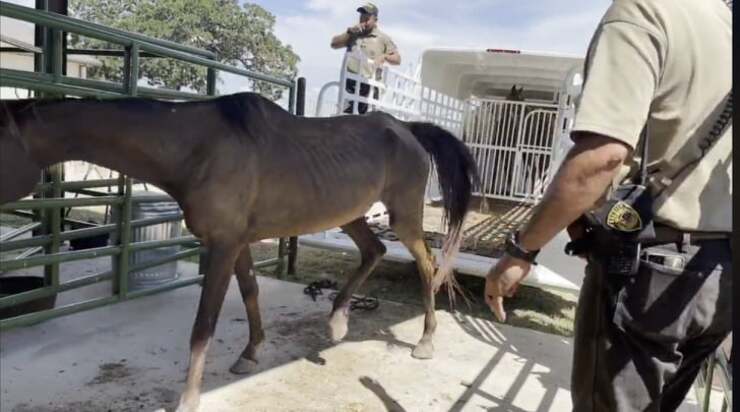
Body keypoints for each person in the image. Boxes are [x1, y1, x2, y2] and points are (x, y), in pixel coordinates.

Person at [484, 0, 732, 410]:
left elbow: (602, 159)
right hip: (719, 273)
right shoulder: (725, 22)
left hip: (651, 274)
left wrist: (520, 250)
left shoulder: (645, 11)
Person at [330, 2, 401, 114]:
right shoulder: (353, 34)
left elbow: (397, 59)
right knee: (345, 119)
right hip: (350, 85)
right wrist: (349, 32)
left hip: (370, 87)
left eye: (367, 18)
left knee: (366, 123)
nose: (363, 21)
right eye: (361, 18)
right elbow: (334, 44)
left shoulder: (383, 38)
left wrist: (385, 56)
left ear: (375, 20)